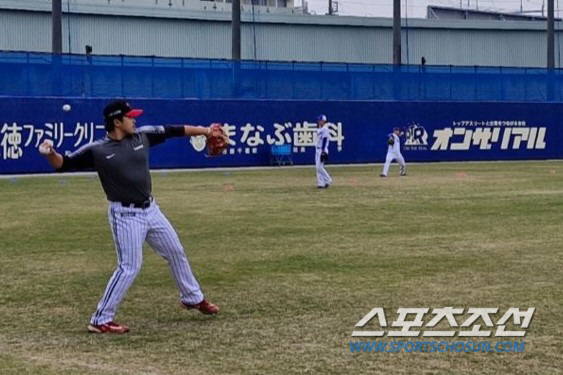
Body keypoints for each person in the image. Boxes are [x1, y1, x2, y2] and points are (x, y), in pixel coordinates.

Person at [38, 100, 224, 334]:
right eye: (130, 117)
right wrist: (50, 153)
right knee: (129, 266)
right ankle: (100, 319)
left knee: (175, 252)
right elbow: (63, 164)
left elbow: (175, 130)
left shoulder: (143, 136)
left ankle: (192, 298)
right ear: (117, 122)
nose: (134, 119)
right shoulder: (98, 150)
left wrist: (206, 131)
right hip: (125, 215)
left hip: (151, 210)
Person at [315, 114, 332, 189]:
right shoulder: (320, 128)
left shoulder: (325, 129)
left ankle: (328, 179)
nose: (318, 121)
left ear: (323, 121)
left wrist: (323, 151)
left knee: (319, 167)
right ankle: (321, 183)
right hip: (317, 149)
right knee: (318, 167)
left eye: (320, 120)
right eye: (318, 120)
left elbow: (325, 139)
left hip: (322, 149)